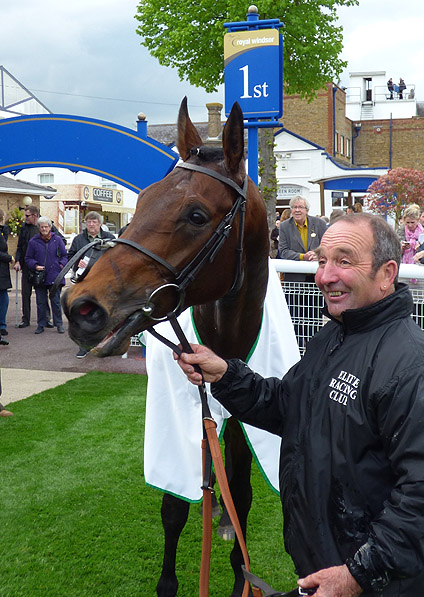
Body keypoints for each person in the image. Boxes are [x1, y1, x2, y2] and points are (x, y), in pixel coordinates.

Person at [177, 213, 424, 596]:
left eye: (344, 261)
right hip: (322, 571)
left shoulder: (410, 363)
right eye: (322, 260)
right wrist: (225, 373)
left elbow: (419, 497)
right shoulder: (335, 335)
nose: (325, 276)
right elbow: (288, 405)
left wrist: (356, 576)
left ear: (387, 273)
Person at [278, 195, 327, 351]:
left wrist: (317, 254)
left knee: (315, 318)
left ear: (307, 210)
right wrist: (302, 257)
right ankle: (297, 349)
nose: (297, 210)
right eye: (294, 207)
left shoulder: (319, 224)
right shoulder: (285, 226)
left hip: (316, 280)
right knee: (296, 318)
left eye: (300, 207)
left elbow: (328, 245)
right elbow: (283, 251)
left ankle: (315, 349)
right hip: (295, 281)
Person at [67, 211, 115, 357]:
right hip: (85, 283)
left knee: (103, 313)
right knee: (84, 313)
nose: (91, 224)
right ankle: (84, 346)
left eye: (94, 222)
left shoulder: (109, 238)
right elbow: (70, 256)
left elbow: (118, 257)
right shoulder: (78, 239)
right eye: (89, 222)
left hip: (104, 283)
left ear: (100, 224)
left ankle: (104, 344)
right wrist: (77, 262)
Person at [14, 205, 62, 328]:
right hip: (27, 266)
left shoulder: (46, 224)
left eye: (27, 215)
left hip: (43, 268)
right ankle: (26, 319)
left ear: (35, 215)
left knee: (42, 294)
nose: (25, 218)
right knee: (25, 293)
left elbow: (60, 240)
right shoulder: (24, 228)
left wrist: (58, 263)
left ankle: (46, 319)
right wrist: (18, 261)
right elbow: (20, 247)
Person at [25, 217, 67, 334]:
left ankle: (59, 324)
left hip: (55, 276)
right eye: (42, 227)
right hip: (40, 276)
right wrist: (35, 265)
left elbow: (65, 256)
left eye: (46, 226)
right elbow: (28, 258)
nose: (44, 229)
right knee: (41, 302)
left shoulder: (57, 240)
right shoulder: (33, 242)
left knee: (56, 302)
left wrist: (61, 265)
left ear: (50, 227)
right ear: (39, 228)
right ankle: (41, 324)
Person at [0, 211, 14, 340]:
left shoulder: (2, 231)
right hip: (1, 269)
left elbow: (4, 239)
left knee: (3, 297)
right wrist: (9, 257)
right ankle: (2, 325)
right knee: (3, 298)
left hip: (2, 272)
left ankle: (2, 325)